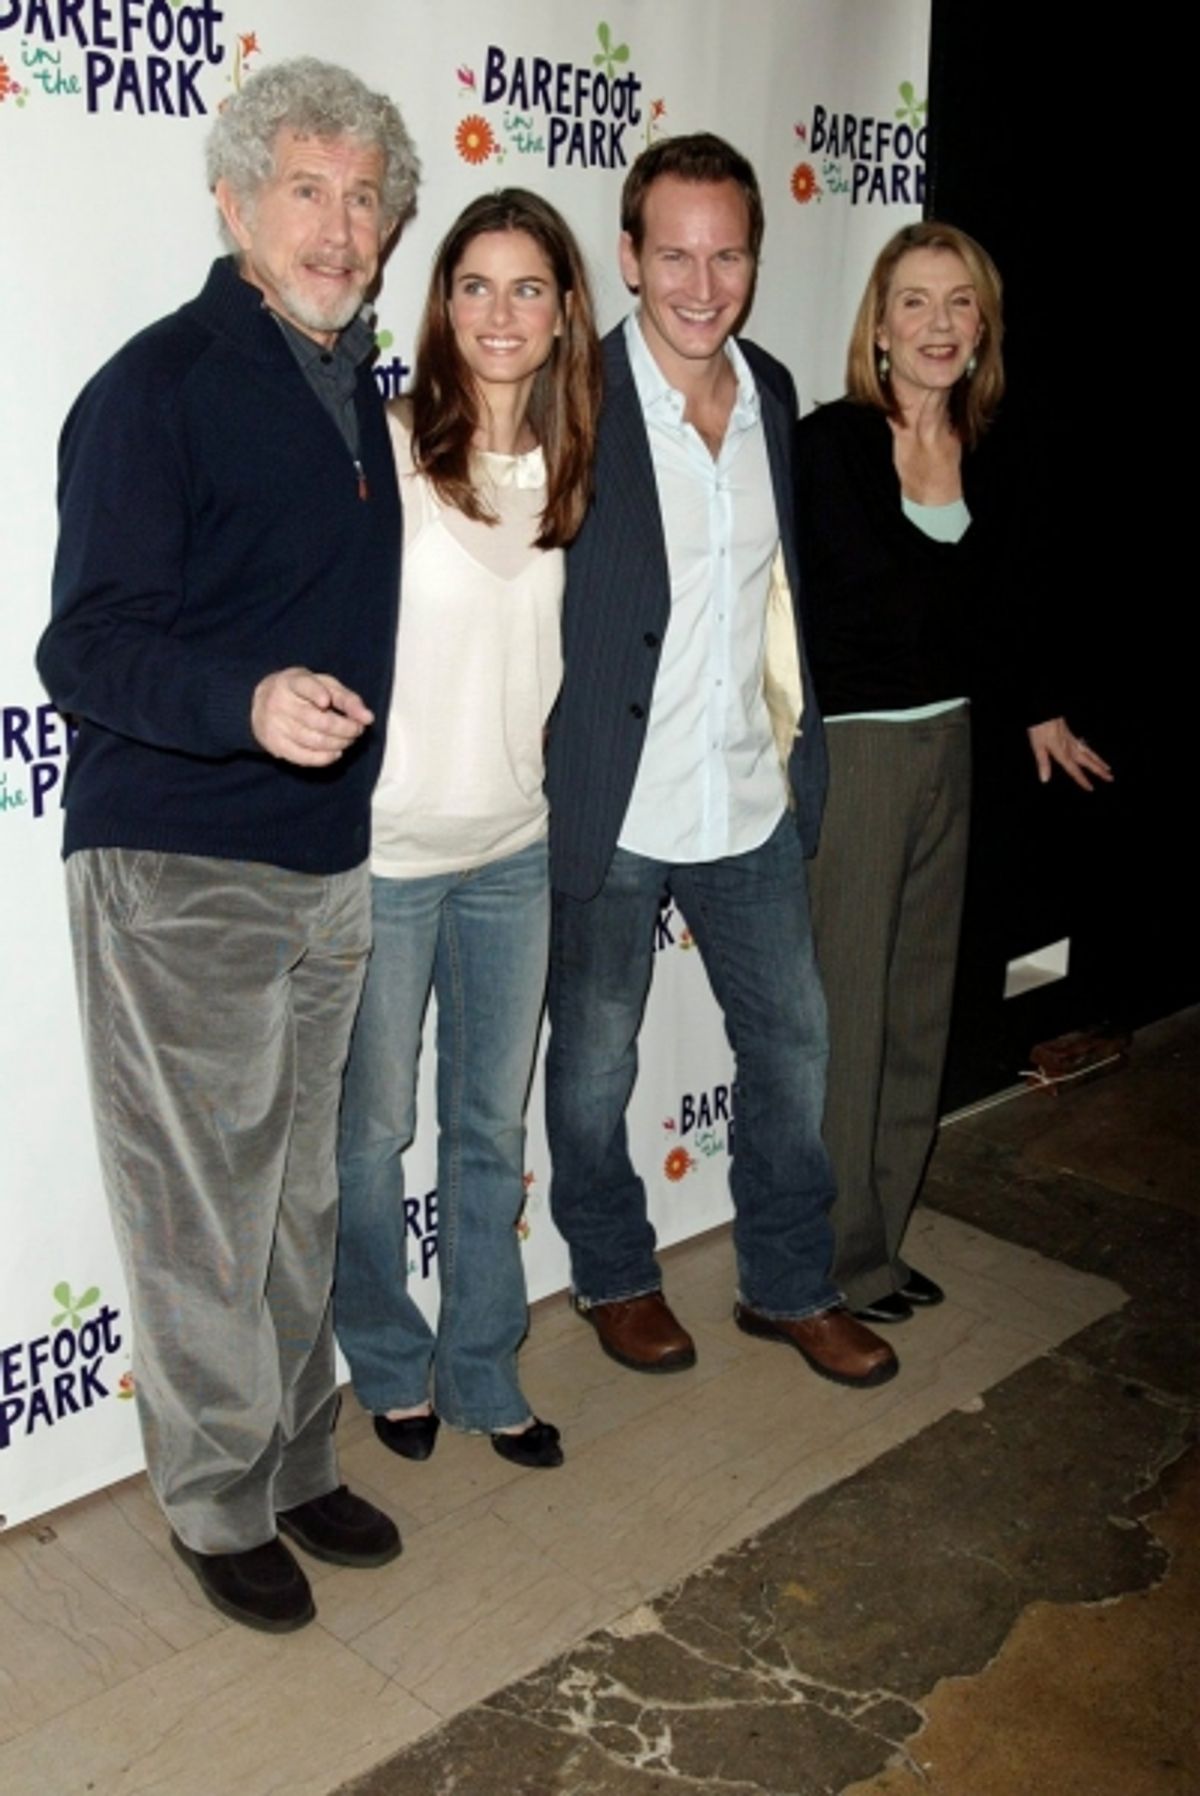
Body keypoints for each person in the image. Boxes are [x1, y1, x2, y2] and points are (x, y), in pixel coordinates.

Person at [36, 59, 420, 1634]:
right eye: (305, 191)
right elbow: (84, 646)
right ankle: (213, 1498)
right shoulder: (160, 386)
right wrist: (244, 702)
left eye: (363, 198)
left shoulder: (352, 385)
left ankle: (293, 1456)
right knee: (204, 1211)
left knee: (302, 1195)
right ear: (234, 204)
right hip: (179, 862)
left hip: (325, 860)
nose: (338, 227)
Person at [543, 134, 897, 1390]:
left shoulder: (775, 395)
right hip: (613, 804)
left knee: (794, 1048)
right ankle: (614, 1272)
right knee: (594, 1066)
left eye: (728, 256)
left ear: (754, 258)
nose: (703, 285)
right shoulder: (570, 394)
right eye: (676, 256)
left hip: (747, 791)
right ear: (629, 257)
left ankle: (790, 1283)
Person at [796, 220, 1113, 1323]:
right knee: (851, 1019)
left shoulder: (990, 451)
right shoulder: (831, 444)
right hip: (860, 753)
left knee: (920, 1011)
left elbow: (1005, 604)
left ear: (984, 330)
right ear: (879, 330)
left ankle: (878, 1244)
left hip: (953, 746)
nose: (939, 324)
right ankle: (827, 1261)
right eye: (915, 303)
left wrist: (1035, 705)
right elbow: (888, 598)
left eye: (960, 302)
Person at [334, 191, 601, 1470]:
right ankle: (389, 1362)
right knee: (371, 1135)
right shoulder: (384, 447)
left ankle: (485, 1366)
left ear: (563, 312)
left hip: (513, 851)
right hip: (385, 857)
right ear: (441, 305)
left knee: (491, 1130)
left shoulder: (573, 466)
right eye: (476, 286)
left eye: (528, 287)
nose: (502, 312)